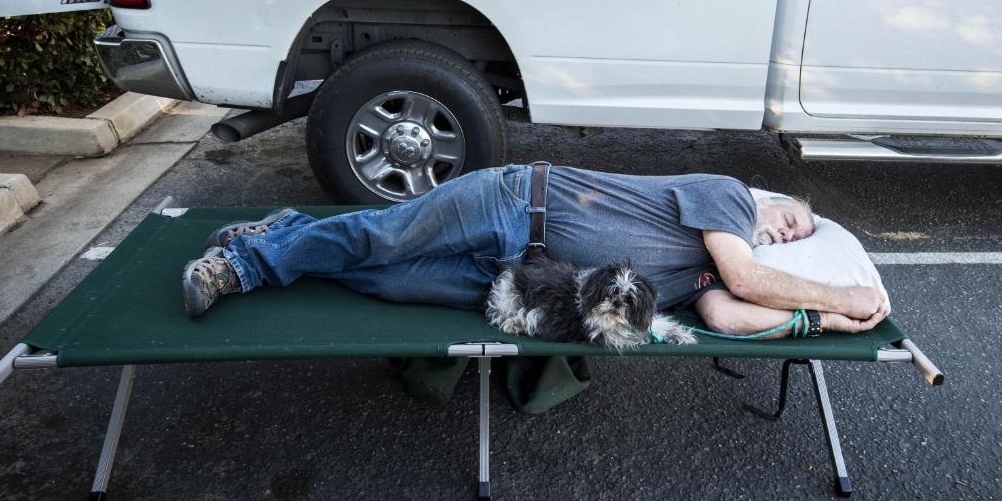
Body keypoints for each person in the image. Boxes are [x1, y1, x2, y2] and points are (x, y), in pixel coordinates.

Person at [182, 163, 889, 337]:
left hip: (530, 280)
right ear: (770, 201)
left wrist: (826, 321)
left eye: (798, 239)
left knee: (390, 281)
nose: (788, 233)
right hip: (518, 202)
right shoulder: (730, 196)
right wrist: (846, 296)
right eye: (793, 219)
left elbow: (734, 313)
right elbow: (749, 277)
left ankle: (286, 231)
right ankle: (240, 265)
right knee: (382, 235)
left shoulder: (711, 275)